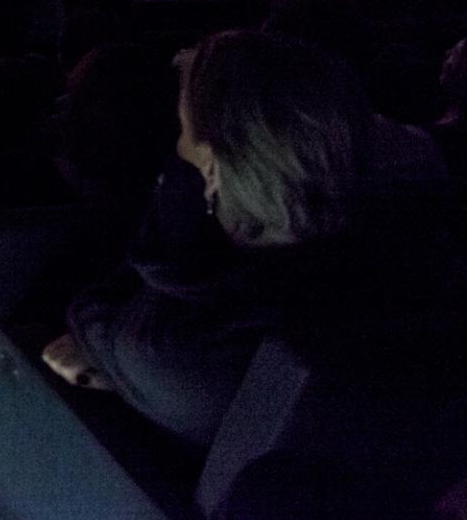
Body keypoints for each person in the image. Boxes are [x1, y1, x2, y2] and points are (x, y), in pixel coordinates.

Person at [41, 32, 421, 448]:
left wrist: (174, 213)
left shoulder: (170, 349)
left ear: (212, 167)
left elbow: (96, 317)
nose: (175, 148)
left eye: (183, 130)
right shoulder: (400, 263)